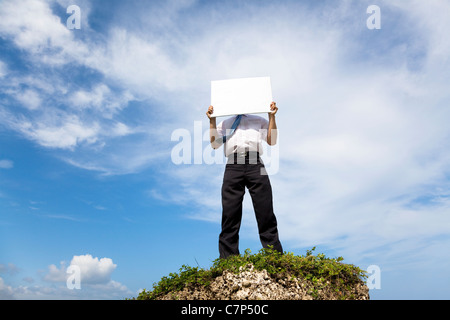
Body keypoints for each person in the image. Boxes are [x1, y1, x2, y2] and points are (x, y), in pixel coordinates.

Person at [206, 102, 283, 259]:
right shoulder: (226, 123)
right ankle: (229, 258)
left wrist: (272, 116)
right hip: (233, 164)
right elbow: (215, 144)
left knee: (265, 209)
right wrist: (211, 120)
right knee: (230, 211)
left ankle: (274, 257)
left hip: (256, 163)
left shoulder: (258, 120)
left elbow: (272, 140)